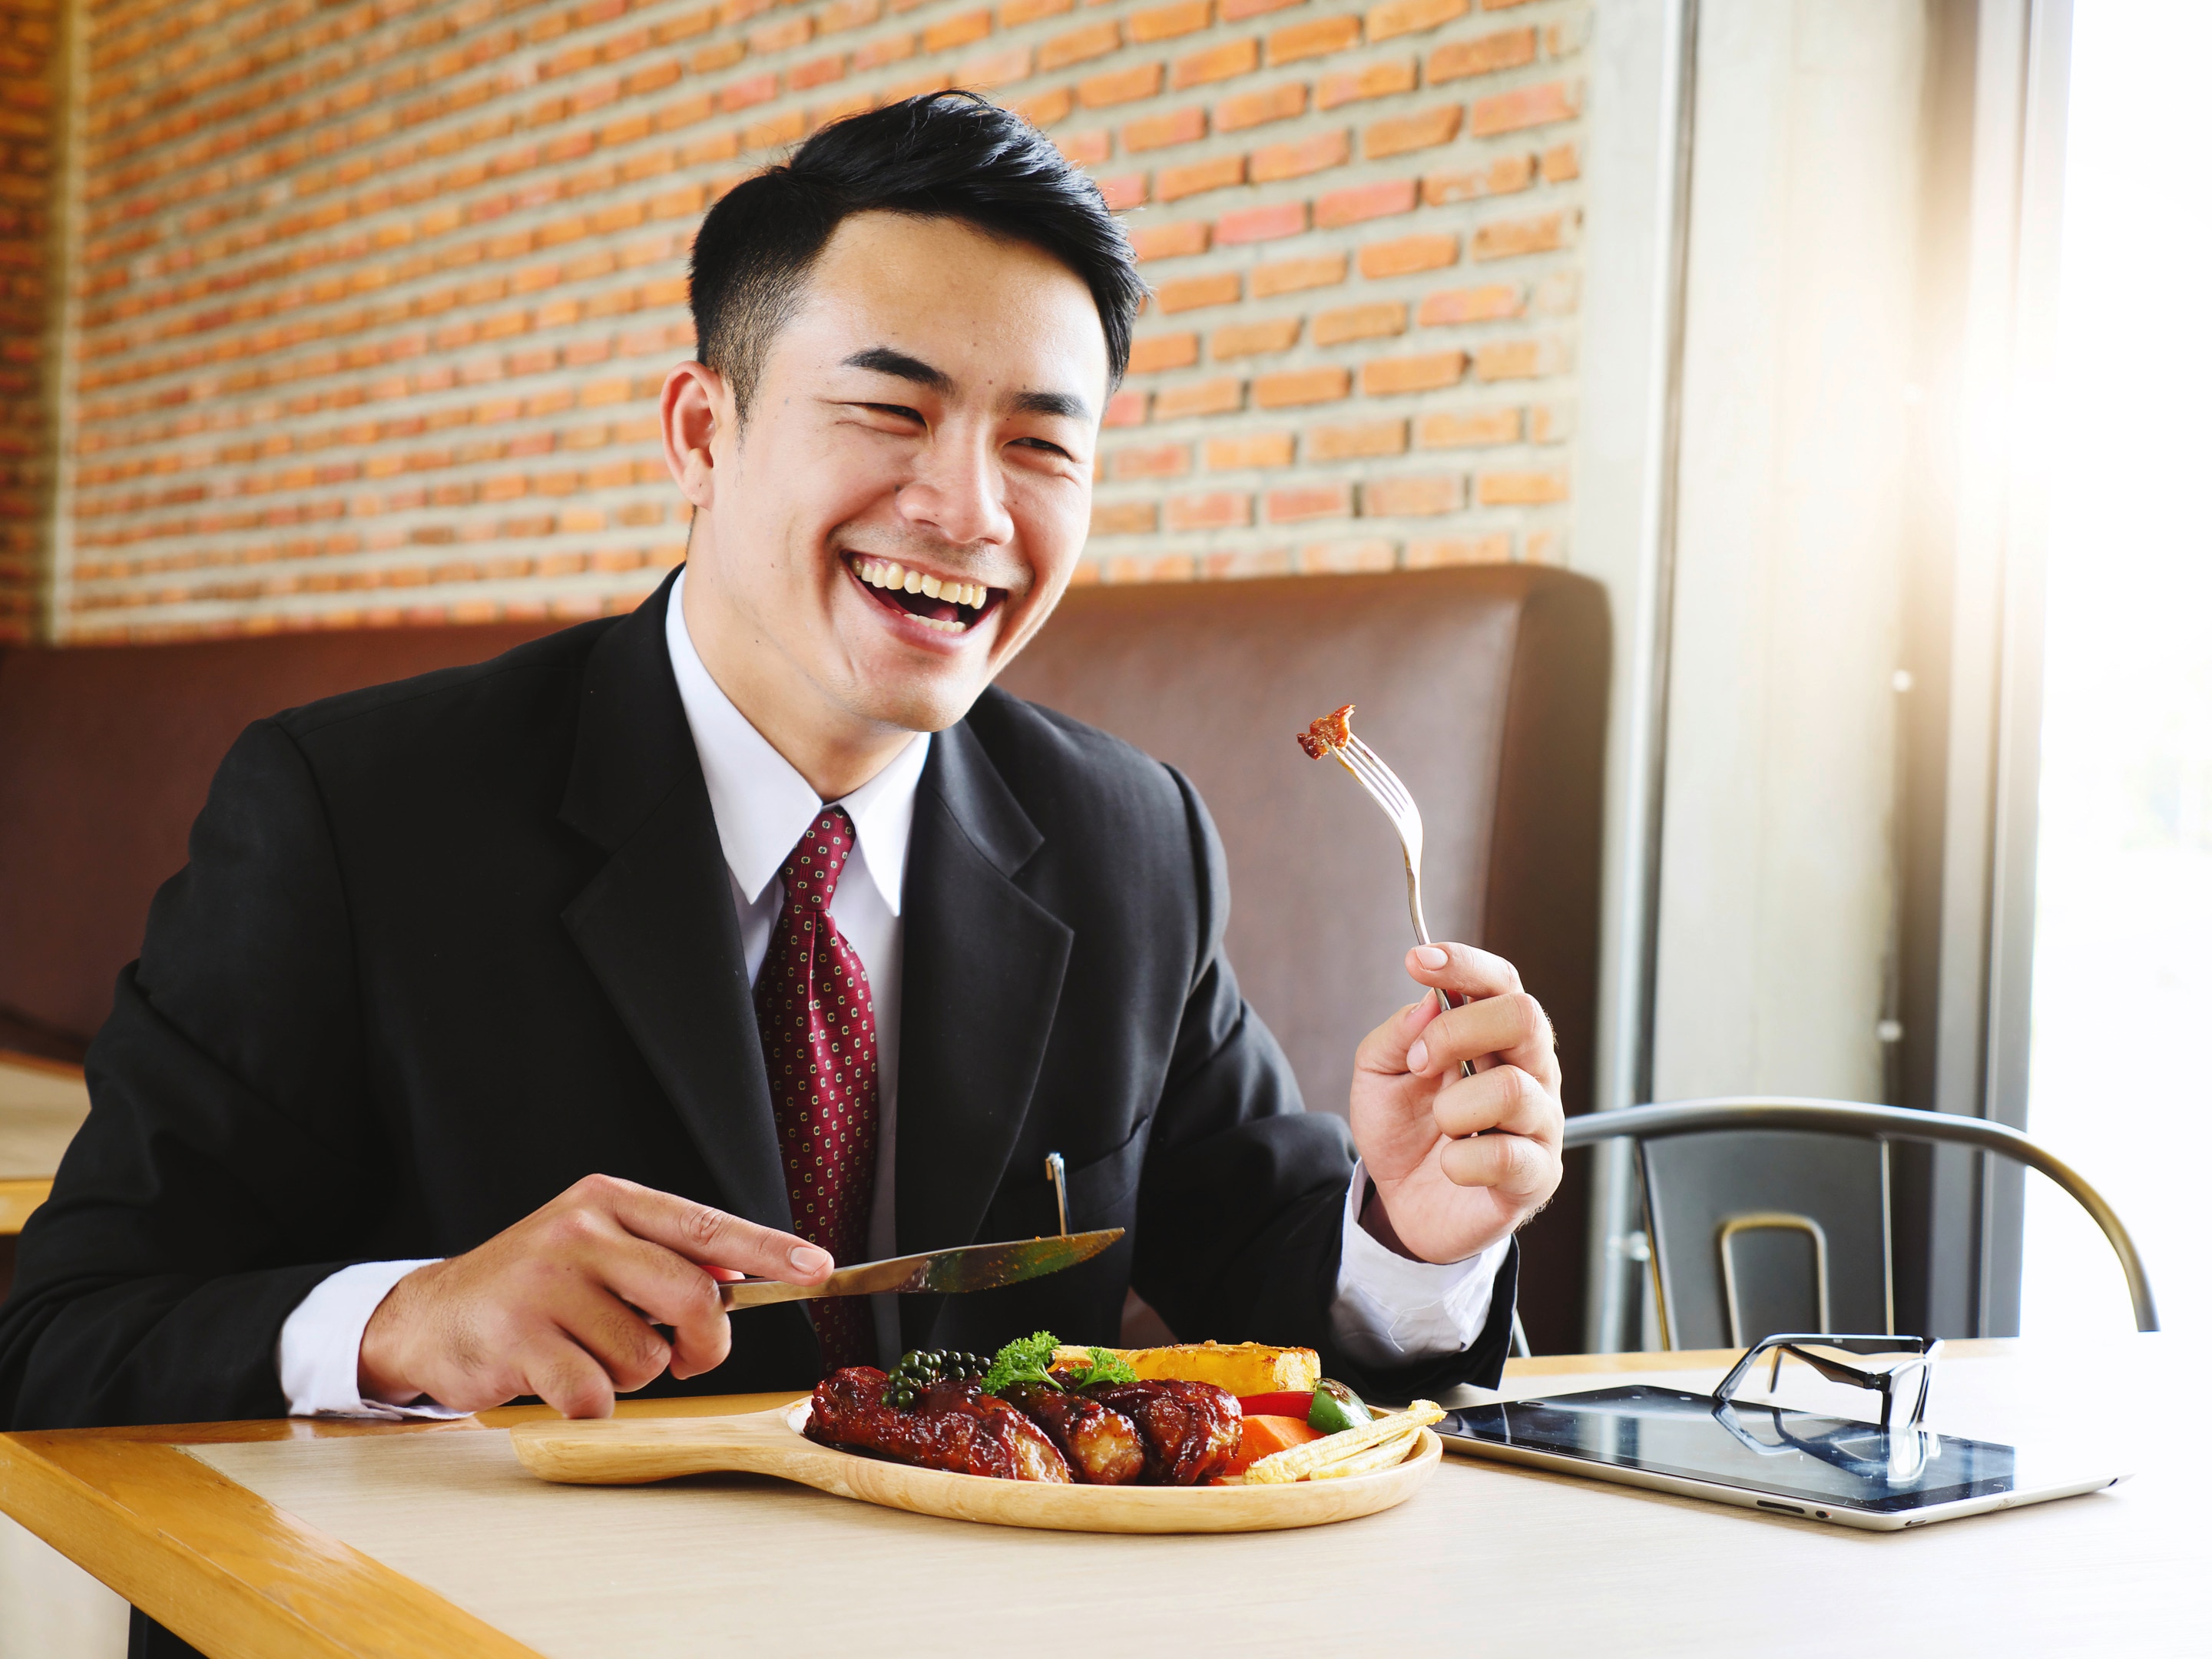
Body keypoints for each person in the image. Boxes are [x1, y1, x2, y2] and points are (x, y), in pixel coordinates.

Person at [1, 93, 1561, 1441]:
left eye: (1042, 445)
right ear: (700, 430)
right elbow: (61, 1333)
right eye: (893, 411)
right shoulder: (354, 817)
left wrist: (1412, 1244)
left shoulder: (1126, 836)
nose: (969, 510)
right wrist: (409, 1320)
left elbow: (1272, 1272)